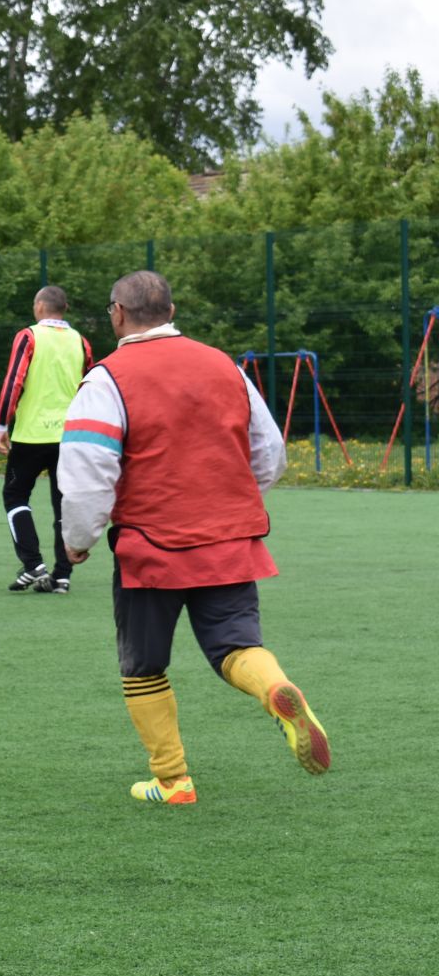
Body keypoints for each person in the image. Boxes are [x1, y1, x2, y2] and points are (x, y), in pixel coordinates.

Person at [59, 270, 329, 806]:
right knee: (237, 645)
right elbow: (269, 451)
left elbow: (89, 465)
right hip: (229, 539)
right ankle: (276, 691)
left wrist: (78, 537)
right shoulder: (224, 366)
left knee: (143, 665)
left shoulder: (106, 378)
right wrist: (231, 499)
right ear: (172, 309)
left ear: (117, 313)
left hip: (150, 547)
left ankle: (173, 780)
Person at [0, 285, 93, 593]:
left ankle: (33, 564)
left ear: (39, 307)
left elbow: (14, 380)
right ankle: (62, 576)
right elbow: (90, 383)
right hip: (70, 435)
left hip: (33, 434)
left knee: (15, 496)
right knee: (63, 503)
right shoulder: (81, 341)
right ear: (64, 309)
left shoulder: (29, 336)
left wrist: (1, 424)